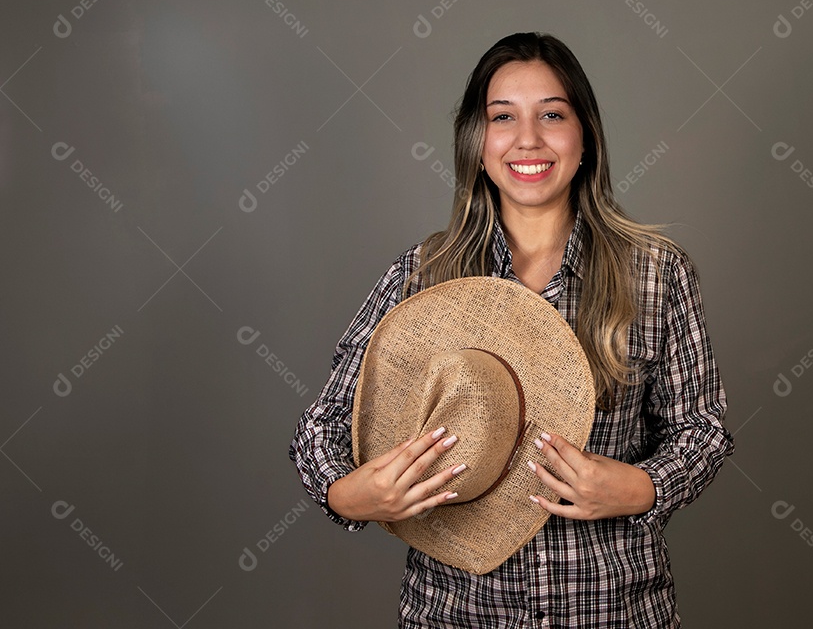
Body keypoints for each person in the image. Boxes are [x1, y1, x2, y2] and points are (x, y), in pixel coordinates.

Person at [289, 31, 734, 627]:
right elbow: (321, 429)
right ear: (477, 143)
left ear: (586, 138)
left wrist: (642, 487)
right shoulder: (422, 277)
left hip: (614, 610)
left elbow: (702, 430)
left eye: (552, 114)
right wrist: (351, 497)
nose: (528, 139)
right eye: (504, 117)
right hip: (455, 613)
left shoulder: (655, 273)